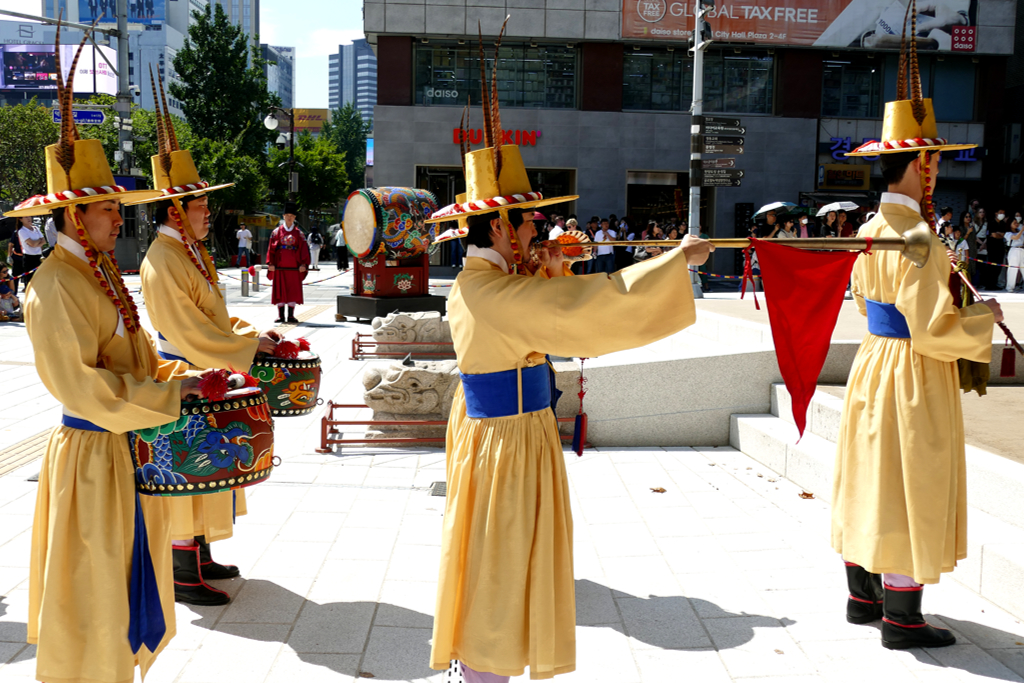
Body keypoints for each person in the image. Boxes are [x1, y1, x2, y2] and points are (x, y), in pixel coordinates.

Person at [423, 134, 713, 682]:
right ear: (502, 226)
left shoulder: (488, 281)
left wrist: (550, 271)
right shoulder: (496, 292)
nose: (537, 231)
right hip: (506, 440)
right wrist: (675, 263)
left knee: (506, 553)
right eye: (529, 221)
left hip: (510, 432)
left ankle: (482, 664)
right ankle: (482, 669)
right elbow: (586, 311)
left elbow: (547, 312)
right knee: (502, 559)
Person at [8, 52, 215, 681]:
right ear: (75, 215)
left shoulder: (96, 272)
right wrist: (170, 398)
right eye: (107, 210)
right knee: (95, 599)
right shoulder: (52, 285)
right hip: (94, 457)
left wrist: (186, 380)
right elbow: (82, 386)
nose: (118, 218)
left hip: (125, 451)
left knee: (125, 588)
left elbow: (144, 359)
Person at [839, 43, 1000, 650]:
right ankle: (902, 617)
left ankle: (863, 594)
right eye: (930, 158)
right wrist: (981, 320)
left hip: (875, 361)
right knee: (912, 478)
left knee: (871, 474)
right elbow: (933, 328)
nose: (934, 168)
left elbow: (864, 303)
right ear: (917, 165)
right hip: (912, 368)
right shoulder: (921, 241)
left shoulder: (872, 228)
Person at [131, 103, 281, 606]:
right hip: (187, 370)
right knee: (191, 467)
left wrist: (252, 335)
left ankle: (198, 552)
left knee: (211, 472)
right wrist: (242, 347)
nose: (207, 213)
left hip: (207, 365)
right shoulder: (162, 259)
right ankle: (181, 567)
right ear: (176, 210)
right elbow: (189, 331)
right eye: (201, 206)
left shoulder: (189, 251)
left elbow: (215, 316)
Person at [266, 202, 310, 324]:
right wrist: (271, 263)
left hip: (294, 266)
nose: (289, 217)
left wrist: (303, 264)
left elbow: (304, 249)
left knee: (292, 289)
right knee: (280, 288)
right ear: (283, 216)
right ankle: (280, 315)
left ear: (295, 217)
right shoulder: (276, 232)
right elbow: (271, 248)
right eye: (287, 215)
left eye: (292, 215)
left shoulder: (299, 233)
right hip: (280, 265)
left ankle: (291, 315)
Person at [17, 216, 45, 288]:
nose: (28, 218)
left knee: (41, 278)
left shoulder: (36, 228)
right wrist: (38, 241)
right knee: (30, 280)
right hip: (29, 257)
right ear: (20, 219)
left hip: (39, 256)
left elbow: (44, 241)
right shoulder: (22, 231)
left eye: (29, 216)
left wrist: (36, 243)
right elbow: (32, 243)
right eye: (25, 217)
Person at [987, 210, 1008, 291]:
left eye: (1003, 213)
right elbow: (993, 235)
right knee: (991, 266)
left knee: (998, 266)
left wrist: (999, 234)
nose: (1002, 214)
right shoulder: (991, 222)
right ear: (996, 213)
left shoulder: (1003, 223)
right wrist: (999, 234)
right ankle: (989, 284)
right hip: (992, 247)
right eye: (1000, 213)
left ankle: (995, 283)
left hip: (1000, 247)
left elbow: (1003, 235)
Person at [1006, 218, 1024, 292]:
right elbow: (1016, 237)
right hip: (1014, 250)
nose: (1016, 224)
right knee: (1013, 269)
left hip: (1022, 250)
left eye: (1017, 223)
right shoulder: (1008, 233)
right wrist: (1022, 229)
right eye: (1014, 223)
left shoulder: (1020, 232)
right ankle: (1010, 287)